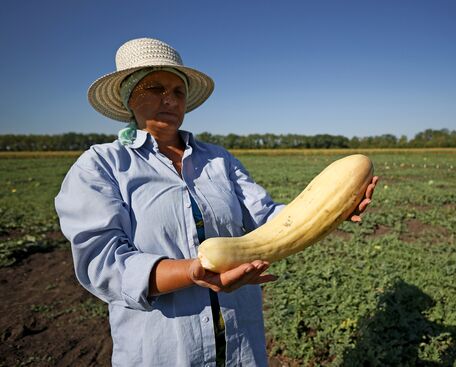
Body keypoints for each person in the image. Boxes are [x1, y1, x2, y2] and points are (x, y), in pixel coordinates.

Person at [55, 37, 378, 367]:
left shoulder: (219, 160)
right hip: (164, 350)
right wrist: (192, 272)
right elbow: (102, 262)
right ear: (128, 97)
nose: (169, 98)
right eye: (154, 88)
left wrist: (332, 209)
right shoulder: (100, 165)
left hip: (240, 347)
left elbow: (268, 218)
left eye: (178, 91)